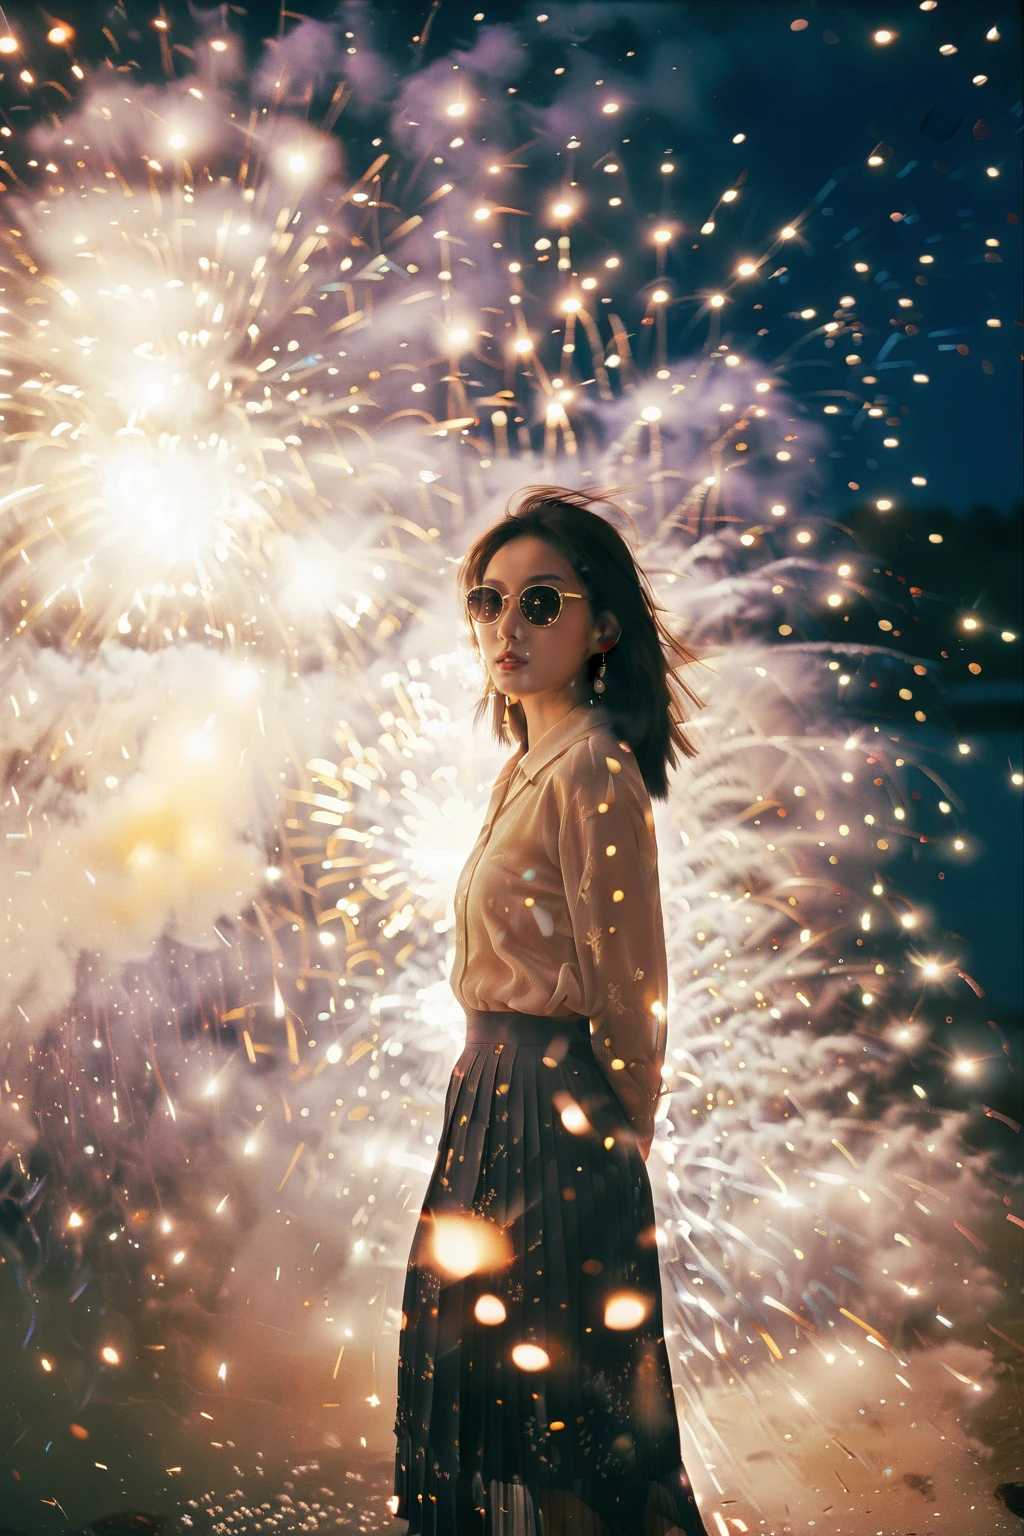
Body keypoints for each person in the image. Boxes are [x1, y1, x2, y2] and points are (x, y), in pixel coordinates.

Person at [392, 486, 706, 1536]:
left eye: (540, 603)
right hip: (487, 1094)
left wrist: (618, 1139)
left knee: (559, 1405)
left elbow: (629, 985)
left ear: (600, 625)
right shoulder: (522, 772)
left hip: (557, 1112)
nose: (505, 628)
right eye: (487, 602)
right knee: (497, 1383)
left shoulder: (593, 776)